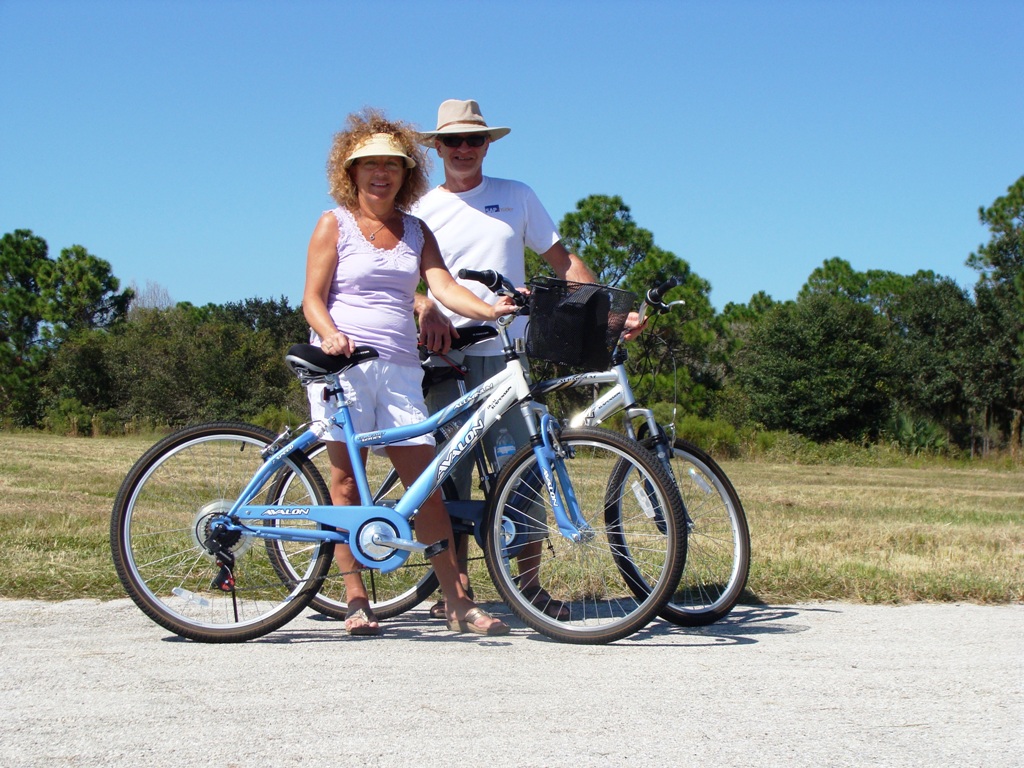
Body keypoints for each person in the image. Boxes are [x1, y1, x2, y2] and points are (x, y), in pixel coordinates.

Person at [412, 99, 642, 621]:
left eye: (474, 139)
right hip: (446, 355)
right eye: (453, 141)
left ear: (487, 144)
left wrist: (608, 314)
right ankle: (457, 592)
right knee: (450, 475)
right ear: (437, 148)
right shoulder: (421, 209)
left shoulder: (517, 195)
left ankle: (529, 587)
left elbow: (563, 262)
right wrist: (425, 307)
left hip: (508, 355)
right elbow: (404, 280)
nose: (464, 149)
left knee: (528, 467)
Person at [303, 108, 517, 636]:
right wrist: (329, 333)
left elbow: (442, 285)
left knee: (425, 485)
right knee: (345, 480)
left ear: (406, 173)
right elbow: (312, 298)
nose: (381, 173)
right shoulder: (334, 223)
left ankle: (457, 602)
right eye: (370, 164)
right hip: (343, 365)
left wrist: (490, 310)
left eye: (392, 165)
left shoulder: (417, 230)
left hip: (400, 368)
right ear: (351, 172)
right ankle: (356, 600)